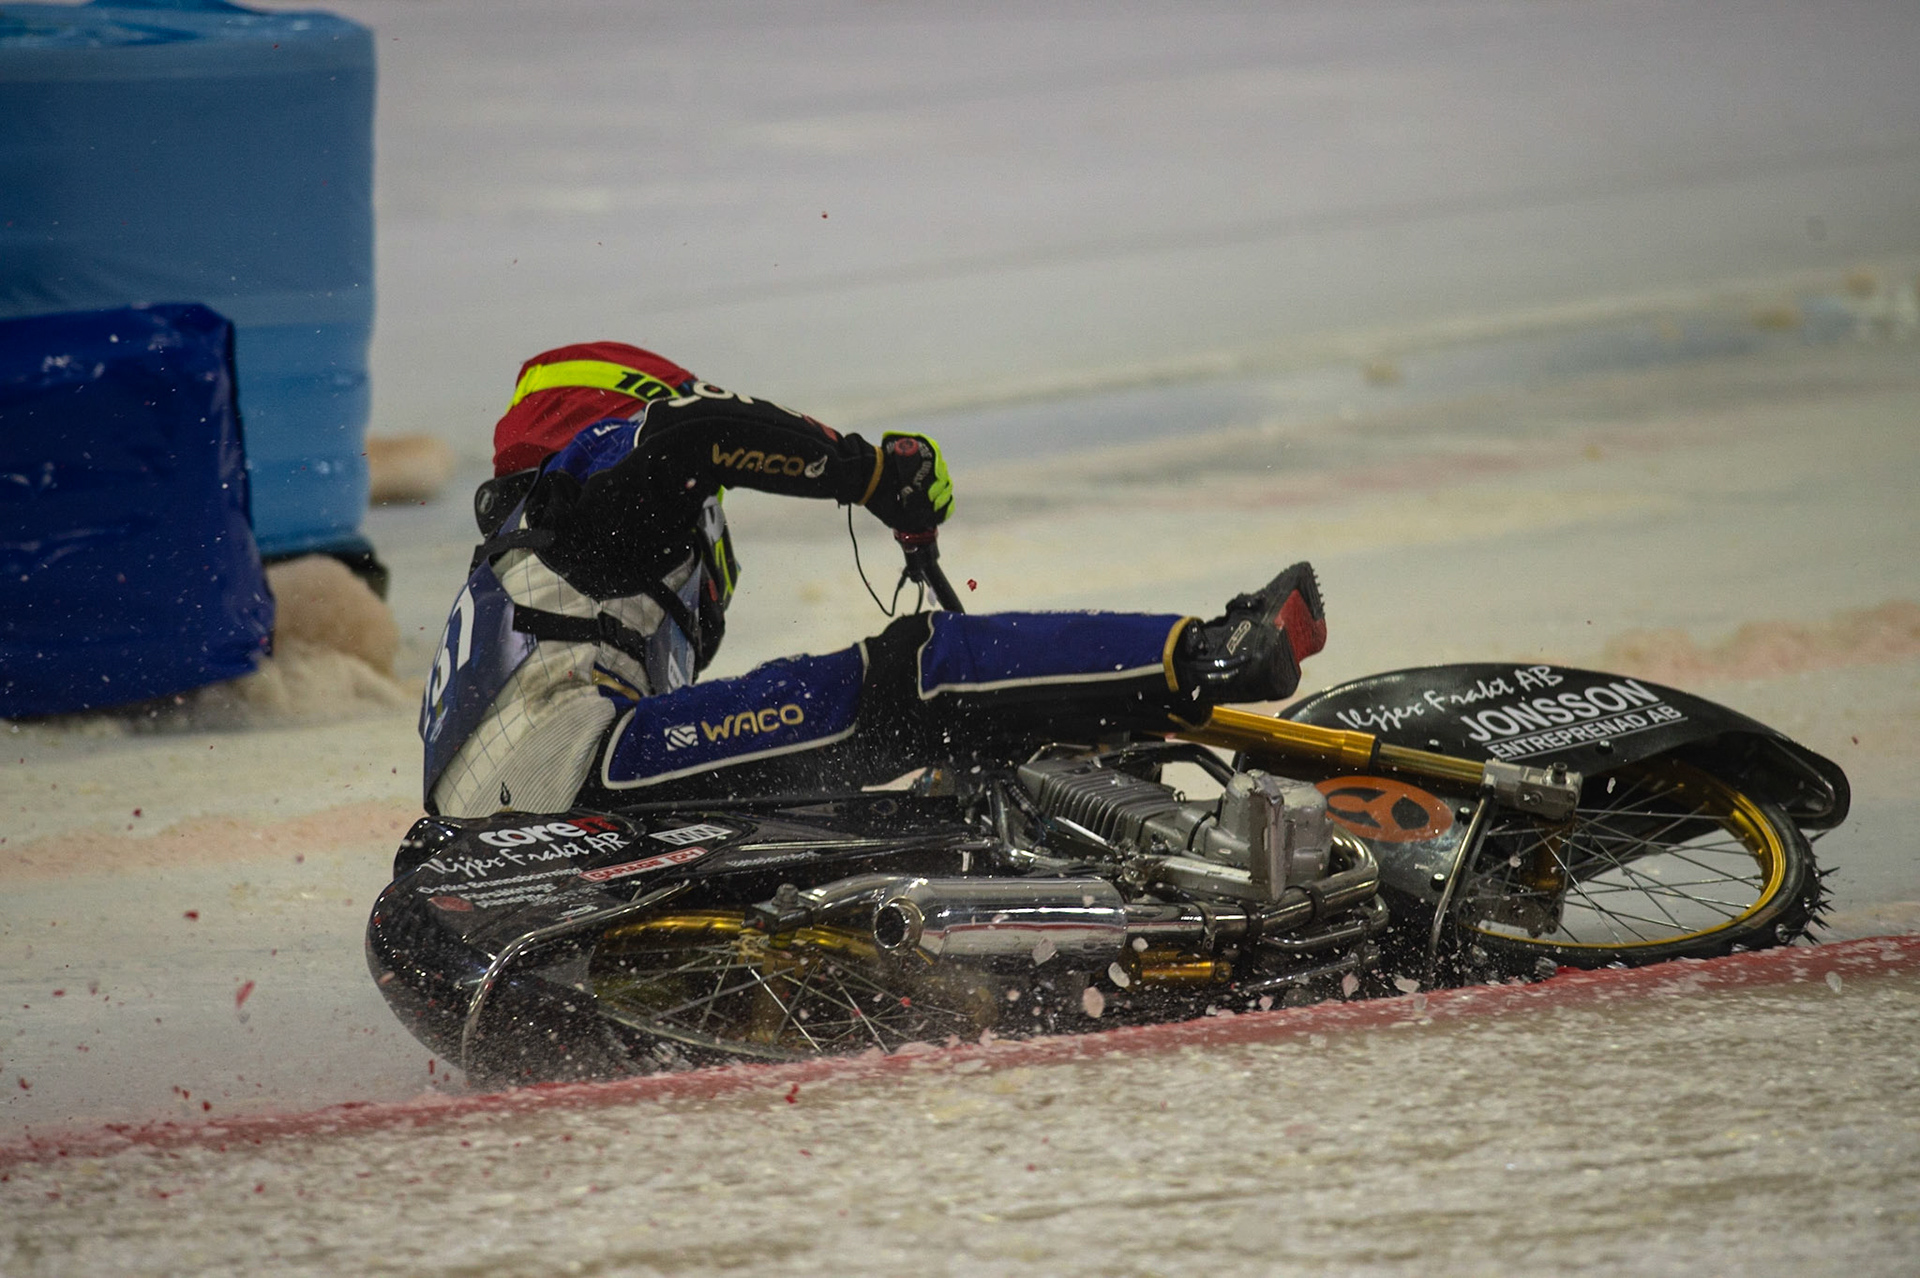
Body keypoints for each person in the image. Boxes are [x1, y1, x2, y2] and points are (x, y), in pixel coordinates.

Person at [420, 342, 1326, 818]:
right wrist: (866, 474)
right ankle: (1207, 653)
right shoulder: (584, 483)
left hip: (512, 845)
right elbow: (696, 437)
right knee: (918, 673)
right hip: (580, 783)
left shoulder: (525, 572)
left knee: (845, 764)